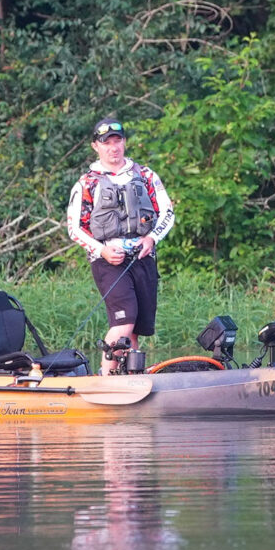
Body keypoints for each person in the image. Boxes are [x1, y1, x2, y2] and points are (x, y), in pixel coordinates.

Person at [67, 117, 175, 374]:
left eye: (118, 141)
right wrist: (101, 250)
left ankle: (130, 378)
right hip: (108, 260)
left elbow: (167, 212)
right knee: (124, 321)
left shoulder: (146, 175)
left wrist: (151, 239)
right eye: (107, 143)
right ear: (96, 146)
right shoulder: (87, 183)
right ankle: (104, 378)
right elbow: (74, 228)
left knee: (136, 327)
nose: (113, 148)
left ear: (124, 142)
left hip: (143, 257)